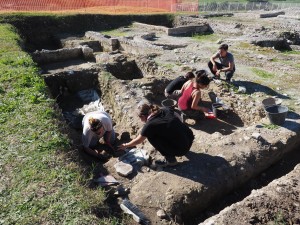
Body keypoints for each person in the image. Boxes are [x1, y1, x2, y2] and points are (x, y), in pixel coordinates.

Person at [118, 104, 194, 167]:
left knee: (151, 136)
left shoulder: (150, 125)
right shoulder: (165, 109)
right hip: (189, 139)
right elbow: (179, 118)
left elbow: (139, 140)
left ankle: (171, 161)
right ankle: (180, 144)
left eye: (140, 118)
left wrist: (126, 145)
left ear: (142, 116)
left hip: (181, 150)